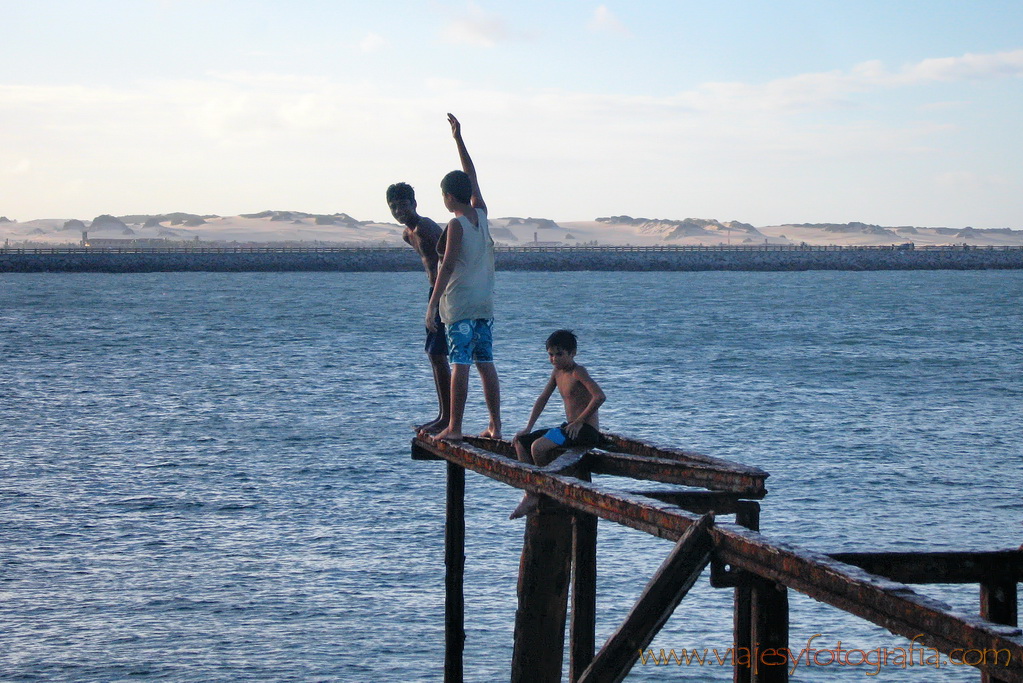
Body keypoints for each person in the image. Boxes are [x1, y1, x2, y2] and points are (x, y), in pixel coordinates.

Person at [426, 113, 500, 441]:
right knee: (485, 362)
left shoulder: (456, 224)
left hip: (460, 307)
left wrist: (431, 307)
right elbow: (472, 176)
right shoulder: (481, 215)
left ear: (449, 198)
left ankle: (454, 427)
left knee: (460, 363)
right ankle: (495, 425)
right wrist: (458, 140)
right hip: (484, 305)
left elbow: (447, 267)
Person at [510, 329, 606, 519]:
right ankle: (532, 492)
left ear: (573, 353)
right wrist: (528, 427)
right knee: (521, 442)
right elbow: (543, 398)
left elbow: (599, 396)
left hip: (585, 430)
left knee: (538, 447)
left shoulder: (578, 371)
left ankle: (549, 489)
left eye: (559, 354)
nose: (554, 359)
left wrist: (579, 421)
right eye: (551, 355)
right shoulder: (557, 372)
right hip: (569, 427)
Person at [386, 181, 450, 433]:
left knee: (438, 354)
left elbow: (446, 263)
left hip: (443, 294)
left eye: (403, 205)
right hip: (434, 293)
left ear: (414, 204)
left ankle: (447, 418)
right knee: (435, 355)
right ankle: (442, 414)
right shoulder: (408, 234)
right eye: (393, 207)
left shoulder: (424, 229)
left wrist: (435, 304)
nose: (399, 211)